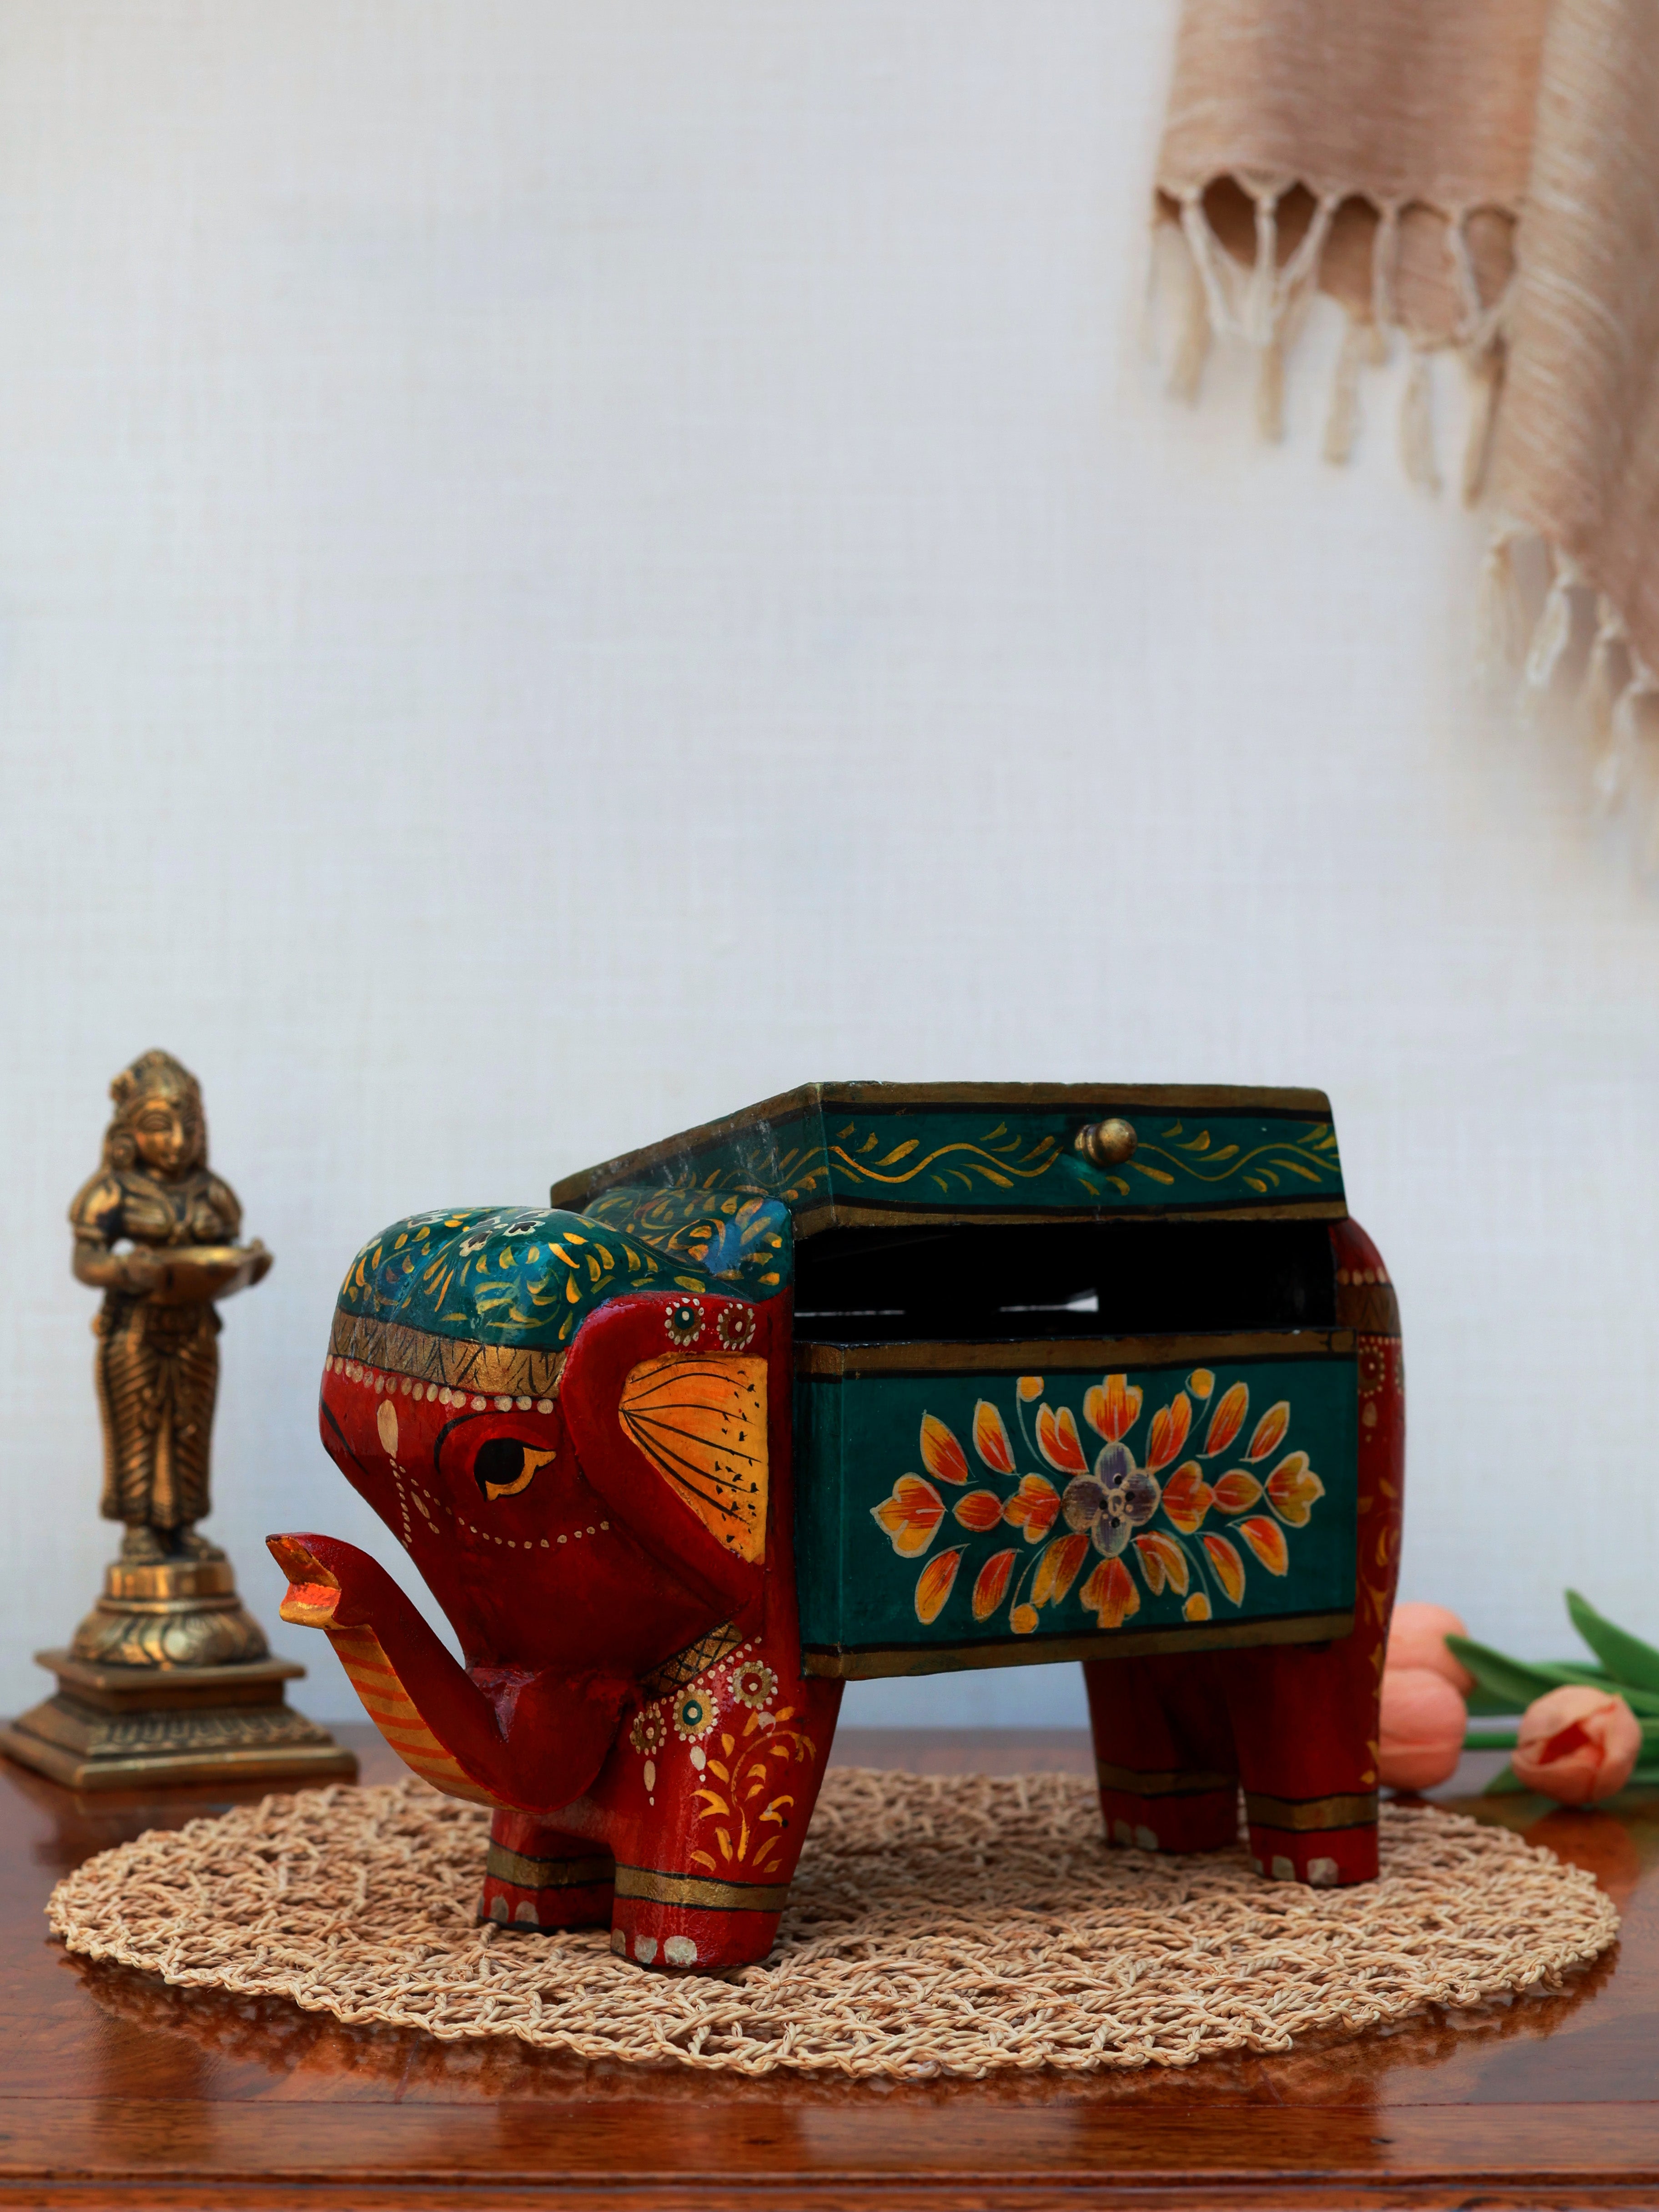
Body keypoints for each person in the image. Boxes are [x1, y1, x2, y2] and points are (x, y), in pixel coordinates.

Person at [68, 1050, 270, 1564]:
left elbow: (227, 1250)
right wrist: (124, 1270)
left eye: (189, 1128)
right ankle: (140, 1527)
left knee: (190, 1424)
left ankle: (182, 1525)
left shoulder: (212, 1192)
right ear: (128, 1132)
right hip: (134, 1328)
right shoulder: (113, 1190)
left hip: (196, 1326)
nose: (177, 1142)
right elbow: (86, 1260)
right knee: (137, 1421)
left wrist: (250, 1265)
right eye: (160, 1128)